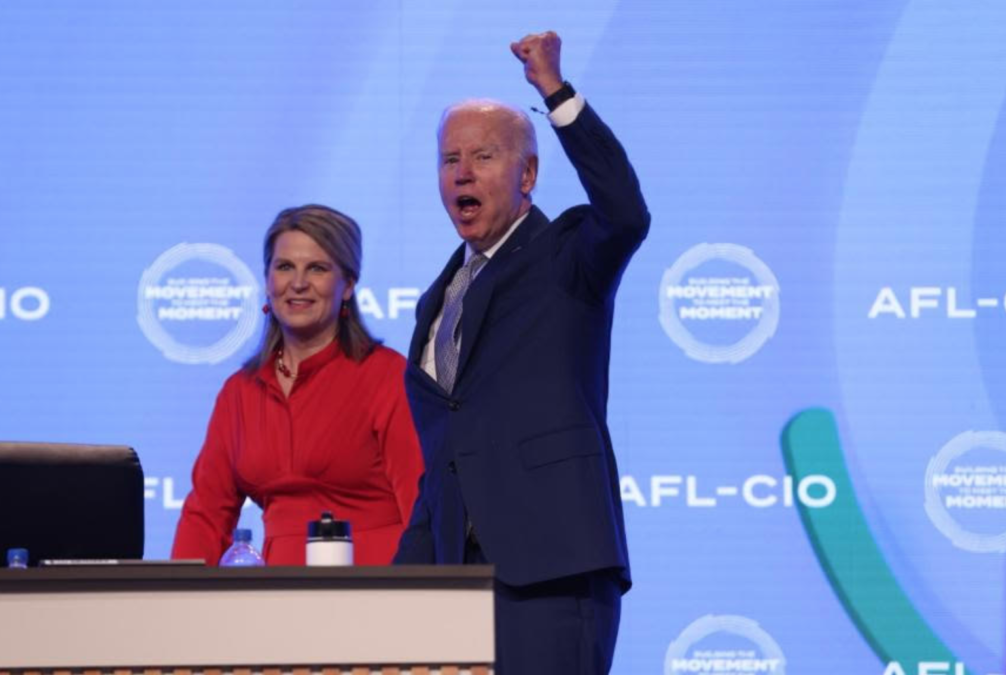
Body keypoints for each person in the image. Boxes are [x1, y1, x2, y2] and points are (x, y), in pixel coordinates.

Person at [393, 32, 650, 674]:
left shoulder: (567, 258)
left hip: (552, 572)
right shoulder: (438, 299)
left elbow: (625, 213)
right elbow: (446, 452)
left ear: (528, 174)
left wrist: (556, 94)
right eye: (449, 159)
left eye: (483, 156)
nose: (462, 172)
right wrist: (402, 581)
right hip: (453, 581)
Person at [173, 204, 424, 566]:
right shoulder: (239, 392)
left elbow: (422, 507)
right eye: (285, 267)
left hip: (378, 586)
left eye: (317, 268)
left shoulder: (386, 375)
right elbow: (205, 518)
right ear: (267, 280)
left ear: (348, 285)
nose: (298, 283)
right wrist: (177, 591)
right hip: (278, 592)